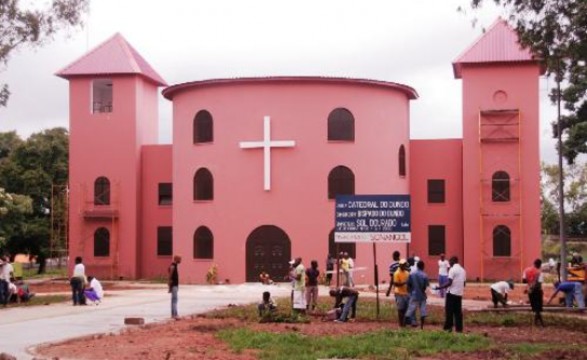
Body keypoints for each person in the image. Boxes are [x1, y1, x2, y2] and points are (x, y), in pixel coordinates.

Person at [435, 256, 466, 333]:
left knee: (449, 312)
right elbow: (464, 283)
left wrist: (439, 288)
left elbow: (449, 282)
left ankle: (448, 328)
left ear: (453, 261)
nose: (449, 263)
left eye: (450, 262)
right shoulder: (463, 270)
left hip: (451, 294)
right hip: (459, 294)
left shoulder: (452, 270)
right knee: (458, 313)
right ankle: (459, 329)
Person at [405, 260, 430, 329]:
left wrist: (410, 291)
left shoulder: (412, 274)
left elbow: (408, 284)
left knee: (411, 309)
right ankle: (421, 327)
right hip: (422, 294)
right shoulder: (425, 275)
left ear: (417, 266)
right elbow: (426, 286)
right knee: (423, 311)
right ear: (423, 266)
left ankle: (407, 325)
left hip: (414, 293)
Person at [522, 258, 544, 326]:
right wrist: (534, 285)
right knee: (538, 307)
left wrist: (529, 285)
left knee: (534, 307)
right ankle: (538, 322)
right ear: (539, 265)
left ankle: (539, 322)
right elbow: (539, 283)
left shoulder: (526, 270)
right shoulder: (539, 272)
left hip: (530, 291)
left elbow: (523, 280)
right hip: (537, 291)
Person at [393, 259, 411, 327]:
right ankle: (401, 324)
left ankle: (404, 324)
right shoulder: (397, 273)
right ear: (400, 265)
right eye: (402, 265)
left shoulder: (407, 273)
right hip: (399, 293)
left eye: (404, 264)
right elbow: (396, 284)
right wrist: (404, 283)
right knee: (400, 309)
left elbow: (409, 282)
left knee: (406, 309)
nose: (403, 266)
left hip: (406, 293)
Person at [168, 255, 181, 319]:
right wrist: (169, 285)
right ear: (176, 259)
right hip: (174, 285)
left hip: (175, 285)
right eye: (180, 259)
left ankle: (173, 314)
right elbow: (170, 276)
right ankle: (175, 314)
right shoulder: (173, 266)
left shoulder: (174, 266)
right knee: (175, 300)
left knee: (173, 300)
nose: (180, 261)